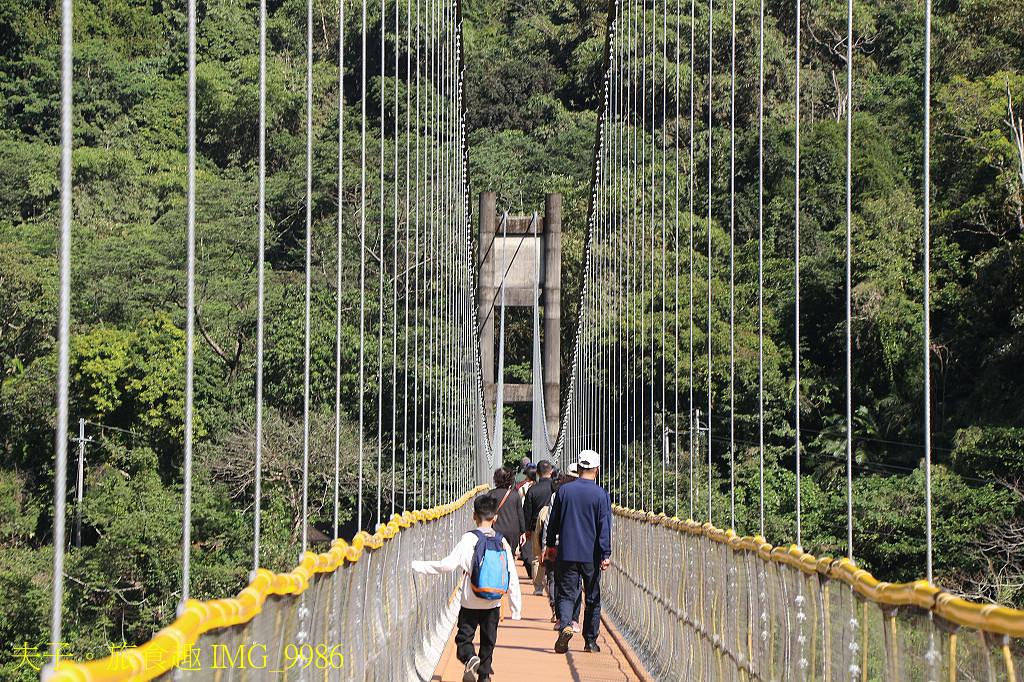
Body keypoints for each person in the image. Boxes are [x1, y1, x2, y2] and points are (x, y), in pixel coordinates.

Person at [412, 495, 522, 682]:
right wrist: (515, 608)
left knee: (464, 638)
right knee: (488, 641)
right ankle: (484, 676)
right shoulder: (502, 542)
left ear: (474, 516)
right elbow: (511, 576)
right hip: (493, 602)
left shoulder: (468, 539)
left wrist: (417, 566)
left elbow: (447, 565)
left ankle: (470, 657)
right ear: (495, 517)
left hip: (470, 600)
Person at [545, 449, 611, 654]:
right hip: (591, 556)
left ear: (579, 468)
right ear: (597, 470)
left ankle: (565, 624)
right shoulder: (601, 495)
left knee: (566, 593)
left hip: (567, 552)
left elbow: (553, 521)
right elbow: (604, 526)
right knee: (592, 597)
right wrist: (606, 553)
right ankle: (590, 641)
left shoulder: (564, 492)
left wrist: (550, 545)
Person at [523, 460, 555, 592]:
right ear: (551, 472)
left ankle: (538, 587)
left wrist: (527, 530)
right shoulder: (557, 488)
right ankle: (552, 582)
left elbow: (527, 511)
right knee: (553, 554)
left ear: (537, 473)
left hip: (536, 527)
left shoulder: (533, 489)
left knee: (536, 556)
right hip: (554, 525)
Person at [484, 467, 527, 560]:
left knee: (495, 557)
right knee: (509, 558)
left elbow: (486, 514)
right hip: (512, 531)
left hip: (495, 530)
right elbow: (520, 515)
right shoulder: (515, 495)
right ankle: (507, 573)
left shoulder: (490, 495)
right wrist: (523, 532)